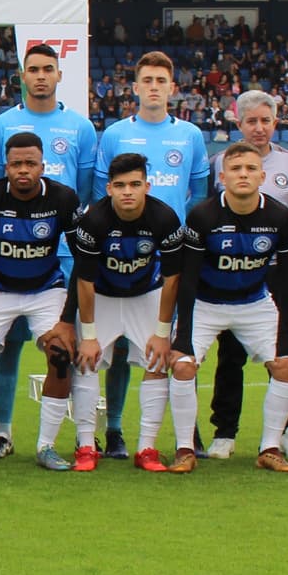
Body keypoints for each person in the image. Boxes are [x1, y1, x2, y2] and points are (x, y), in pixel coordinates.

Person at [0, 43, 97, 459]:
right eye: (34, 69)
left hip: (66, 253)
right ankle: (3, 432)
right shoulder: (1, 126)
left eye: (49, 68)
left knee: (69, 346)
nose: (42, 76)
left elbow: (82, 191)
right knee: (7, 346)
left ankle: (87, 435)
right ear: (23, 76)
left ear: (59, 75)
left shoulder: (80, 127)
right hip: (12, 254)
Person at [93, 51, 208, 460]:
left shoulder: (190, 136)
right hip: (122, 254)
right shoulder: (115, 134)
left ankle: (186, 436)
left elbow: (198, 196)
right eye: (148, 80)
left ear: (172, 88)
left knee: (174, 343)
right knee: (118, 348)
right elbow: (99, 195)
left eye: (162, 79)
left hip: (170, 254)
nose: (155, 86)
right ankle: (115, 430)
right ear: (135, 87)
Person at [168, 144, 288, 475]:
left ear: (263, 176)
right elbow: (187, 279)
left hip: (254, 303)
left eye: (250, 168)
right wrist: (182, 336)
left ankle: (270, 448)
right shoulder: (203, 216)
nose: (244, 174)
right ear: (223, 176)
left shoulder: (280, 217)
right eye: (237, 168)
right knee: (183, 366)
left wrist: (286, 334)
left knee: (285, 365)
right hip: (205, 304)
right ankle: (185, 449)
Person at [0, 133, 83, 470]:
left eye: (30, 164)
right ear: (6, 167)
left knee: (60, 355)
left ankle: (46, 447)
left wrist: (68, 319)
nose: (23, 170)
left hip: (46, 289)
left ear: (42, 166)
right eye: (16, 164)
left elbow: (84, 259)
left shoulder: (64, 198)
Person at [70, 154, 184, 473]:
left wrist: (163, 333)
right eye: (120, 186)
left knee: (157, 363)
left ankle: (147, 448)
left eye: (135, 184)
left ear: (147, 186)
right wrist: (89, 338)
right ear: (108, 189)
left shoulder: (165, 217)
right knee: (87, 362)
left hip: (145, 294)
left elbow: (174, 279)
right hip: (103, 296)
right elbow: (84, 281)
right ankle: (87, 446)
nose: (128, 192)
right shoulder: (93, 222)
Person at [208, 89, 288, 457]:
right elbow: (207, 211)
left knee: (282, 350)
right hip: (231, 272)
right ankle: (225, 432)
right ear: (239, 123)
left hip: (277, 273)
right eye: (252, 121)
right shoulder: (220, 161)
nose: (259, 128)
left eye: (266, 121)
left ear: (276, 123)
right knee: (230, 353)